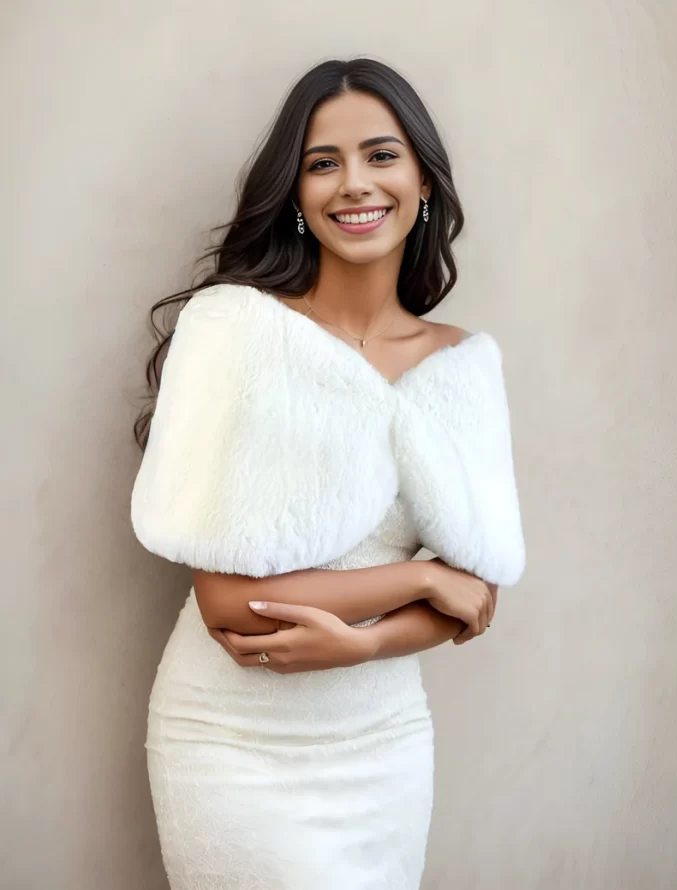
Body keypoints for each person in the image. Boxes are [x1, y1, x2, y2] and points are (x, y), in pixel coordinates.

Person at [131, 57, 525, 890]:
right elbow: (228, 604)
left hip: (385, 746)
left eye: (381, 155)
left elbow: (475, 599)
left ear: (422, 181)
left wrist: (370, 643)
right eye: (323, 163)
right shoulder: (235, 331)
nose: (354, 183)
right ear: (297, 194)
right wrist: (420, 577)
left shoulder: (463, 365)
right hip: (232, 745)